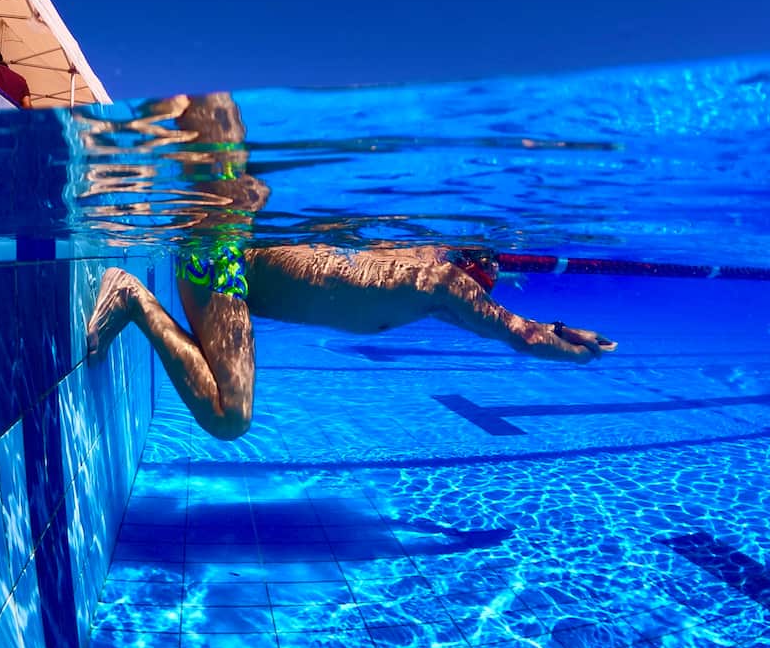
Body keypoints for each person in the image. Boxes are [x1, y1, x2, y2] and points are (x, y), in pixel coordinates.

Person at [85, 94, 617, 442]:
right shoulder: (444, 282)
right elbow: (516, 334)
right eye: (489, 270)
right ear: (469, 263)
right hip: (221, 261)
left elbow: (511, 327)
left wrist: (559, 331)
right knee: (230, 416)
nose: (490, 284)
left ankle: (135, 296)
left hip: (229, 277)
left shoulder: (435, 289)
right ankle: (132, 296)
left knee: (231, 417)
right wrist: (575, 353)